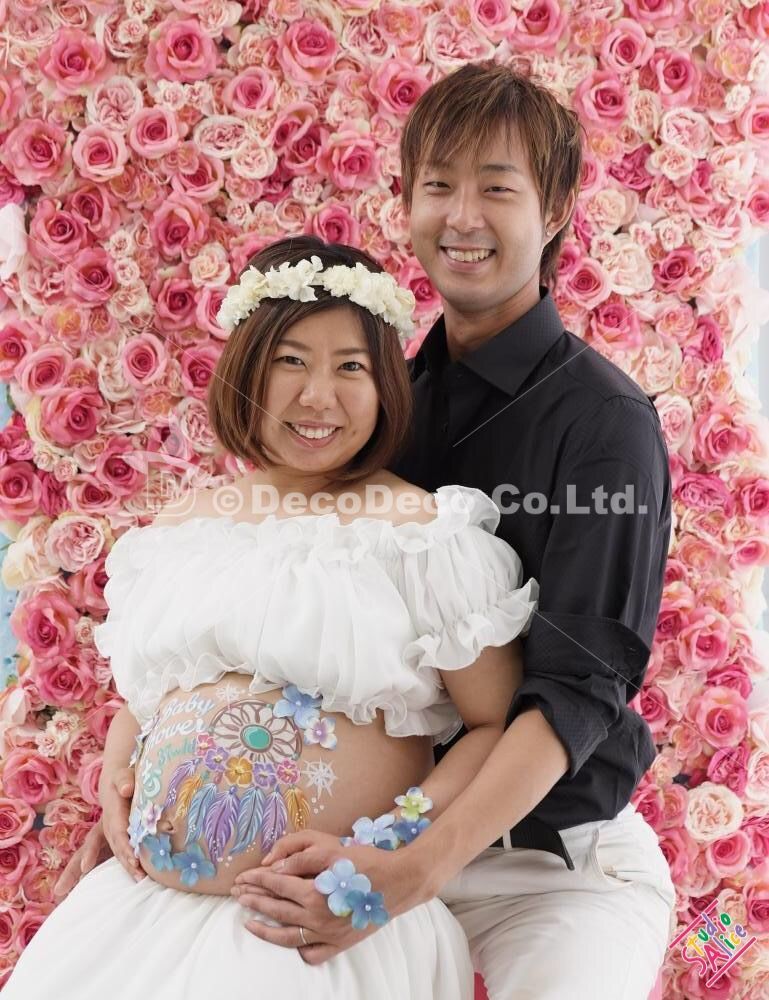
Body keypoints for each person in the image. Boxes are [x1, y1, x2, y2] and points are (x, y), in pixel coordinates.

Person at [221, 64, 677, 1000]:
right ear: (405, 201)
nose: (462, 216)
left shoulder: (605, 423)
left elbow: (579, 687)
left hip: (547, 864)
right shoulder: (375, 399)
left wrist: (417, 869)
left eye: (497, 189)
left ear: (555, 210)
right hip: (367, 846)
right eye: (438, 185)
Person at [3, 236, 540, 1000]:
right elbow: (148, 701)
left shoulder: (422, 534)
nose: (318, 396)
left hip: (314, 921)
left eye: (350, 367)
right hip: (143, 914)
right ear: (246, 371)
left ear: (386, 386)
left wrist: (397, 841)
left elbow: (493, 724)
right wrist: (119, 786)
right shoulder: (185, 527)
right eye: (291, 361)